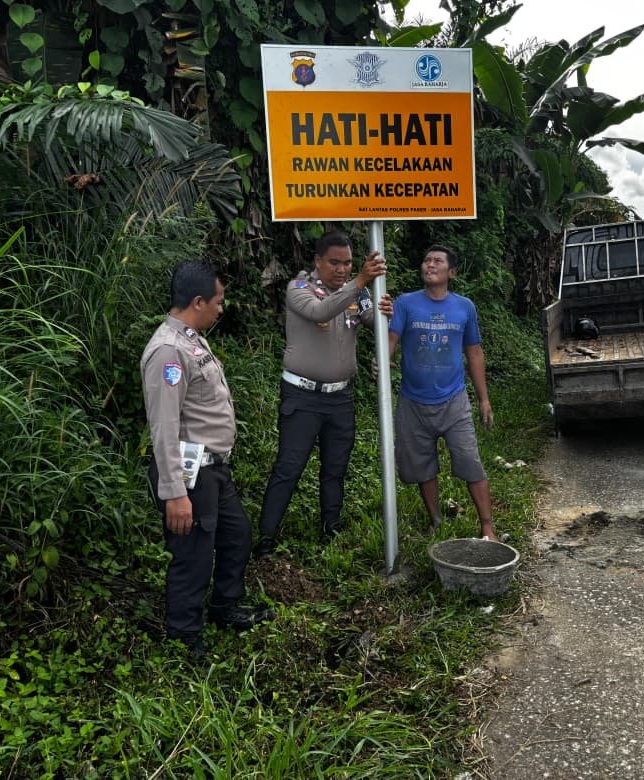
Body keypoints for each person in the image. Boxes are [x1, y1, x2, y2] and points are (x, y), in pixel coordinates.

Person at [141, 260, 268, 658]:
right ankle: (184, 637)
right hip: (189, 475)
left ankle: (225, 607)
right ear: (198, 301)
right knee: (192, 557)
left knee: (237, 536)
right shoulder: (169, 352)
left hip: (214, 469)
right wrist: (175, 493)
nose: (221, 308)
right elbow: (164, 427)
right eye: (218, 301)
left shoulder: (191, 338)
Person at [256, 231, 392, 557]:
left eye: (348, 263)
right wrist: (360, 280)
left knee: (335, 468)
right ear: (318, 260)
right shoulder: (300, 289)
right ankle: (265, 539)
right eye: (335, 262)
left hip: (341, 398)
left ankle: (330, 529)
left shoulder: (356, 295)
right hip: (302, 397)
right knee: (288, 468)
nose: (342, 269)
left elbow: (378, 323)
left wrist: (387, 310)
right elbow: (321, 312)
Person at [388, 244, 497, 540]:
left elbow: (474, 352)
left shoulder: (464, 307)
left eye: (437, 261)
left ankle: (487, 525)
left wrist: (484, 399)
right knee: (422, 465)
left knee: (469, 460)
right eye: (426, 259)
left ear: (452, 272)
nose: (429, 264)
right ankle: (436, 519)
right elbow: (391, 339)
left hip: (454, 401)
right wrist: (383, 360)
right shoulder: (406, 303)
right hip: (413, 401)